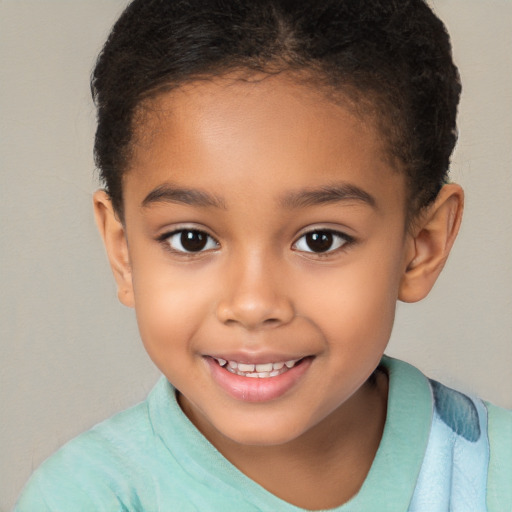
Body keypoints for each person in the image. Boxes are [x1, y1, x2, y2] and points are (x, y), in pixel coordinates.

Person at [14, 0, 511, 510]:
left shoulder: (496, 475)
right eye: (191, 239)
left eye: (320, 239)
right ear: (123, 253)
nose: (253, 304)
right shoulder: (87, 498)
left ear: (420, 247)